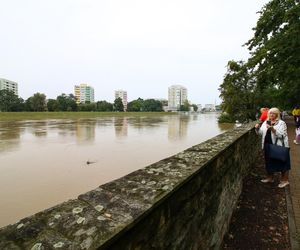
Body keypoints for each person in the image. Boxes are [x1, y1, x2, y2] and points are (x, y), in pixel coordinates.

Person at [255, 107, 290, 188]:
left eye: (273, 113)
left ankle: (285, 180)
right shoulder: (265, 122)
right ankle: (270, 178)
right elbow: (261, 133)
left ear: (277, 114)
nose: (271, 114)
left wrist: (273, 130)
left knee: (282, 163)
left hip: (279, 146)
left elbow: (282, 135)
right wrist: (257, 128)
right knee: (269, 162)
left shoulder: (281, 123)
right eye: (270, 113)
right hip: (267, 145)